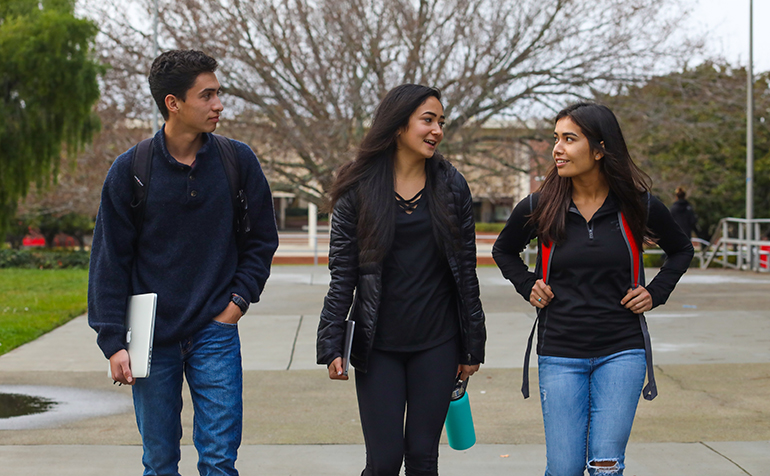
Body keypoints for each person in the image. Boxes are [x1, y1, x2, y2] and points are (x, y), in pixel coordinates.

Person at [88, 49, 279, 476]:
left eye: (218, 93)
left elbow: (262, 240)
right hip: (151, 336)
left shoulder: (237, 160)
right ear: (173, 103)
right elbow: (109, 260)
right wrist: (113, 340)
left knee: (219, 460)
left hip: (216, 331)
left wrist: (236, 305)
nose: (219, 104)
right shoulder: (130, 170)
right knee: (159, 461)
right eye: (206, 95)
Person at [493, 102, 693, 476]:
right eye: (556, 138)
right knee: (565, 468)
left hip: (622, 351)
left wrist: (656, 291)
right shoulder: (540, 204)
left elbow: (682, 250)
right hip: (560, 353)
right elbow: (503, 250)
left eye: (569, 139)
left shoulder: (638, 205)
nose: (557, 148)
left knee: (605, 465)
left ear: (600, 149)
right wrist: (527, 284)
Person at [316, 84, 486, 476]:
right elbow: (342, 275)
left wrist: (471, 346)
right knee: (385, 460)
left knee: (423, 459)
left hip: (438, 342)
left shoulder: (452, 185)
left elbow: (465, 273)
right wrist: (331, 342)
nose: (437, 130)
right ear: (397, 126)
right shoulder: (357, 187)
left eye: (441, 122)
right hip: (378, 346)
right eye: (428, 120)